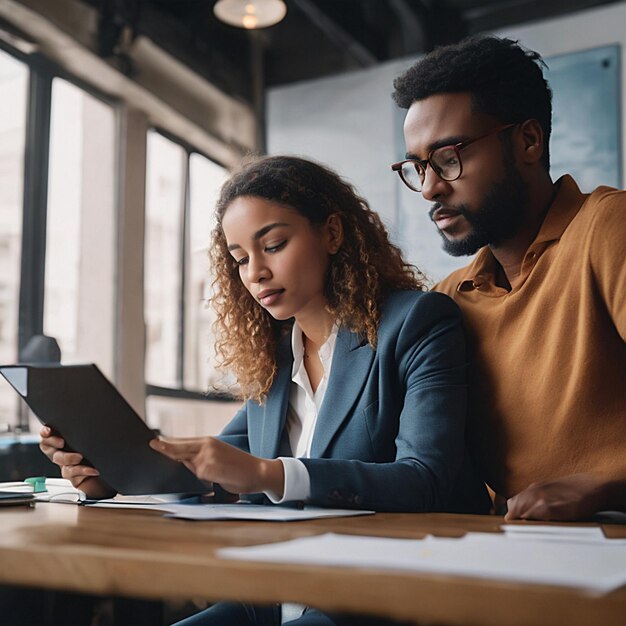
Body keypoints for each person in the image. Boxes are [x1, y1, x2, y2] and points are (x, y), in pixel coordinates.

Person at [40, 155, 489, 625]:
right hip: (279, 594)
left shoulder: (418, 322)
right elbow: (210, 466)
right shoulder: (275, 357)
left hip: (379, 598)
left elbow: (425, 478)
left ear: (333, 233)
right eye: (239, 259)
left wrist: (271, 474)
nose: (255, 272)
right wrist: (108, 474)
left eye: (273, 245)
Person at [391, 35, 626, 522]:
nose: (430, 187)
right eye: (417, 167)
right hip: (514, 549)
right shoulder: (450, 299)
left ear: (528, 141)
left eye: (449, 157)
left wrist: (605, 486)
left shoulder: (608, 227)